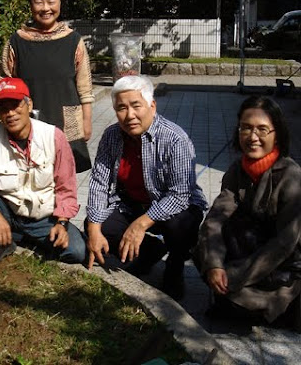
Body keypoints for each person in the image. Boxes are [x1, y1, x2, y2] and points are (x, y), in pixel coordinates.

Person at [85, 75, 207, 300]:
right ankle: (149, 252)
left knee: (181, 225)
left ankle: (175, 267)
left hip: (173, 207)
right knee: (97, 223)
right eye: (121, 108)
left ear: (152, 105)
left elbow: (180, 194)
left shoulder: (175, 138)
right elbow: (99, 184)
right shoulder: (111, 136)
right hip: (131, 203)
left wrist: (140, 225)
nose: (129, 115)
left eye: (136, 106)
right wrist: (92, 230)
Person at [0, 77, 86, 269]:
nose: (10, 113)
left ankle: (25, 238)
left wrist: (62, 223)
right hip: (7, 211)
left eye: (15, 105)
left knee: (77, 251)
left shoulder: (54, 137)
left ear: (28, 104)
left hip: (43, 217)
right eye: (3, 108)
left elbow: (66, 188)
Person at [196, 95, 301, 326]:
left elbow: (284, 244)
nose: (253, 137)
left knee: (236, 297)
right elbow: (216, 218)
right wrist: (214, 264)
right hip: (249, 255)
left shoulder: (291, 177)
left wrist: (233, 276)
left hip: (280, 268)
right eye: (246, 128)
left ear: (278, 135)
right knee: (203, 252)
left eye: (263, 130)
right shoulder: (237, 171)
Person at [0, 0, 94, 173]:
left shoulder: (73, 40)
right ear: (30, 5)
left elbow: (84, 86)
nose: (45, 8)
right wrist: (9, 115)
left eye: (51, 1)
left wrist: (86, 120)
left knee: (65, 182)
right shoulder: (17, 41)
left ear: (60, 3)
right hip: (28, 122)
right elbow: (3, 81)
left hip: (67, 123)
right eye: (38, 2)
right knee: (30, 180)